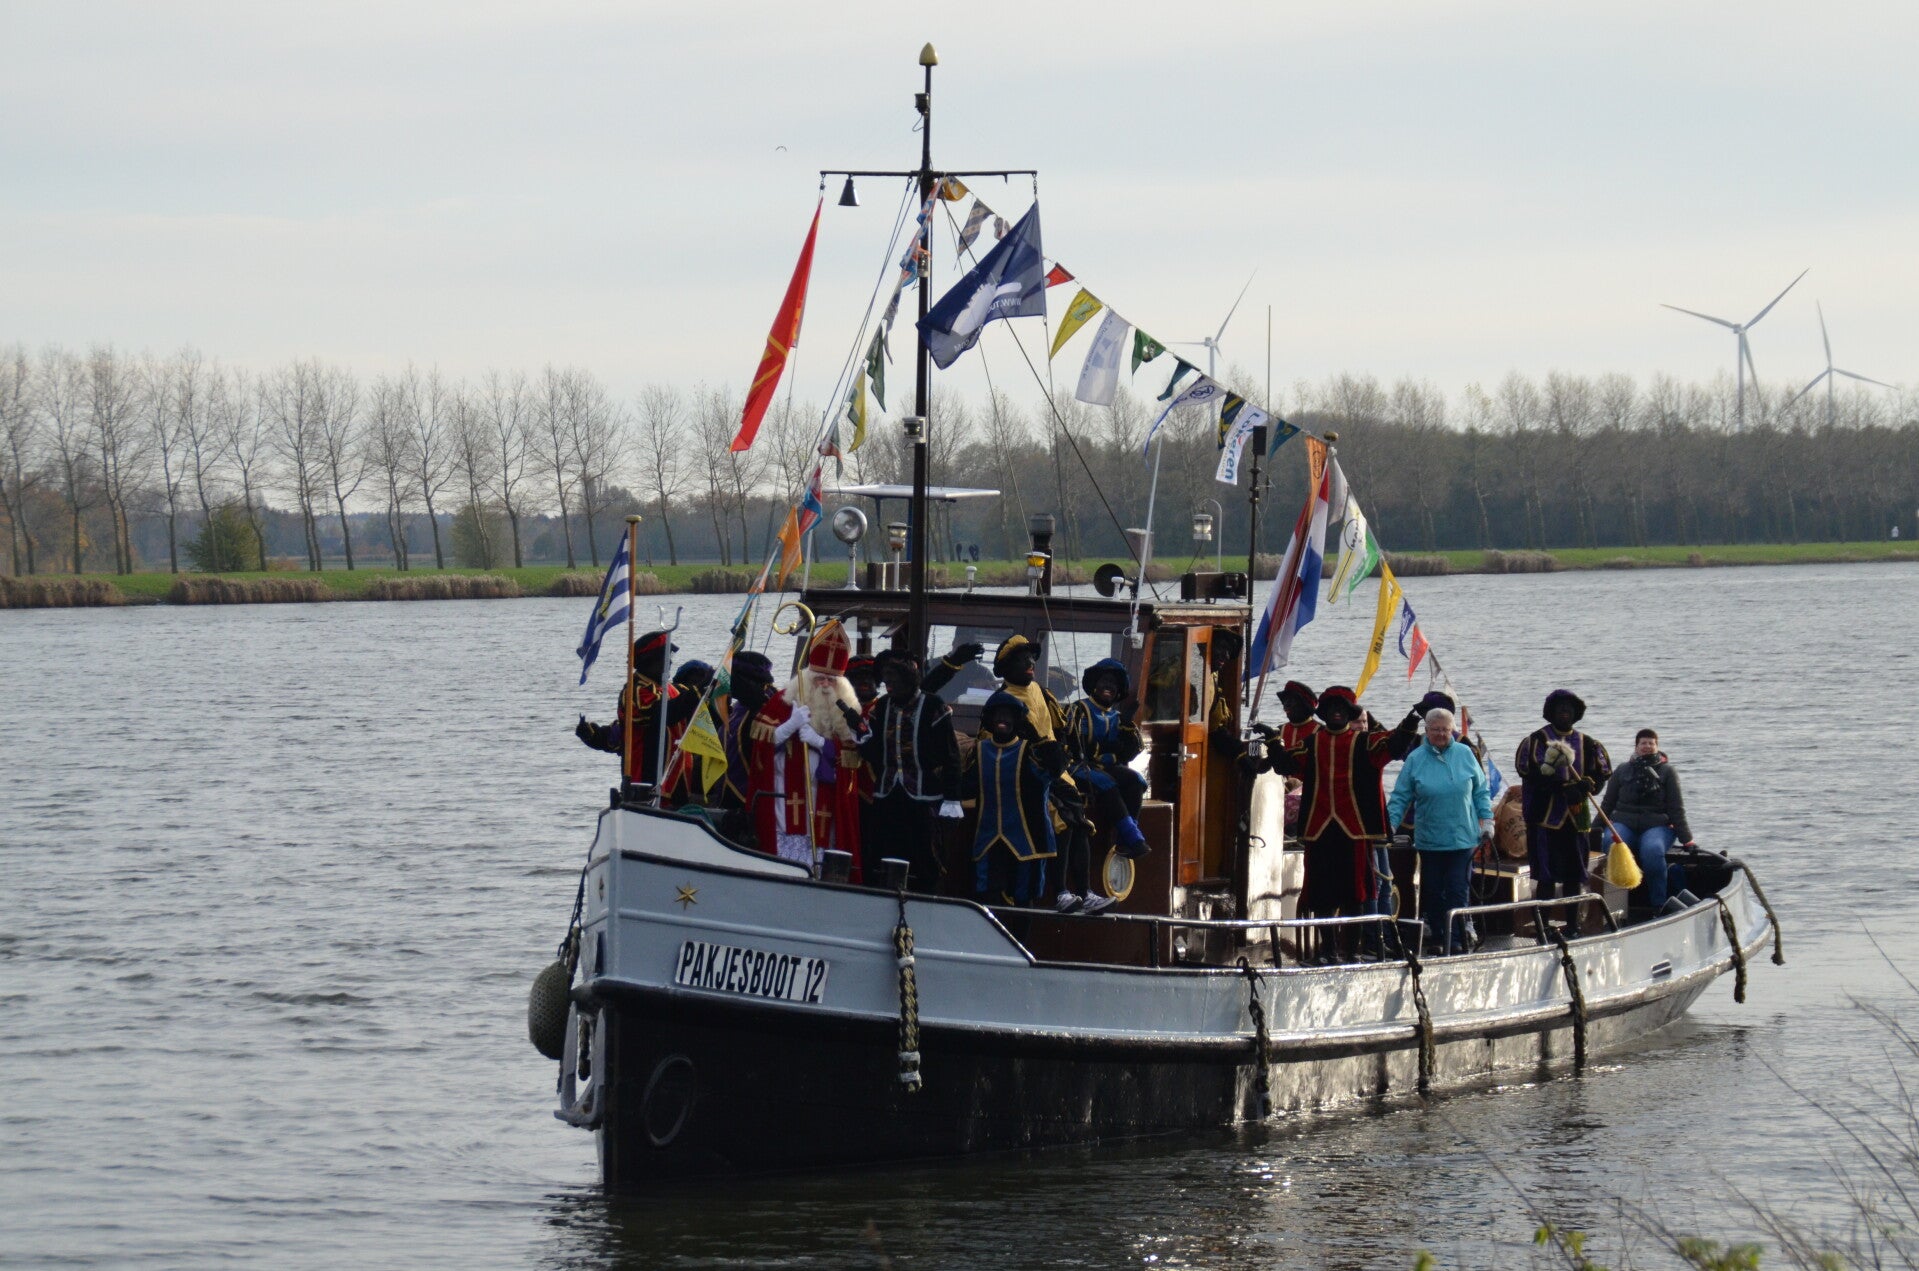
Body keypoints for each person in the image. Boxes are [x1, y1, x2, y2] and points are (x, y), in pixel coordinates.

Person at [1268, 685, 1421, 961]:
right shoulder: (1312, 743)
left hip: (1354, 830)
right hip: (1319, 829)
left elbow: (1395, 746)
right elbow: (1286, 765)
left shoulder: (1364, 742)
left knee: (1356, 894)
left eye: (1342, 709)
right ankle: (1328, 949)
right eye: (1331, 708)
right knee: (1320, 894)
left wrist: (1412, 719)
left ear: (1349, 713)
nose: (1336, 713)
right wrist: (1272, 741)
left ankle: (1351, 951)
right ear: (1324, 713)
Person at [1387, 708, 1493, 955]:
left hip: (1462, 838)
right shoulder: (1415, 758)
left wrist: (1487, 821)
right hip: (1430, 839)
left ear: (1452, 730)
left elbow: (1481, 791)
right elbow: (1401, 796)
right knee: (1432, 891)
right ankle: (1438, 935)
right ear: (1426, 731)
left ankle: (1456, 938)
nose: (1441, 734)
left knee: (1457, 889)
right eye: (1435, 730)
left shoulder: (1465, 754)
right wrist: (1389, 825)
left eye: (1445, 730)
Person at [857, 649, 964, 890]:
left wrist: (952, 797)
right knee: (884, 852)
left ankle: (924, 897)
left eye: (893, 682)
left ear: (907, 680)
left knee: (924, 855)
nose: (889, 687)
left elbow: (951, 756)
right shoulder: (882, 707)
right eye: (886, 682)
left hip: (923, 797)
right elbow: (876, 755)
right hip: (887, 794)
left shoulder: (932, 705)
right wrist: (862, 737)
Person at [1515, 689, 1612, 931]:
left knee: (1574, 876)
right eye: (1560, 707)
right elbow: (1530, 773)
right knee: (1545, 877)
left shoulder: (1588, 743)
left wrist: (1589, 785)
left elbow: (1600, 775)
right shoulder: (1536, 741)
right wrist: (1563, 787)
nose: (1565, 712)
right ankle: (1543, 927)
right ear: (1551, 712)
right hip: (1545, 820)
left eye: (1569, 708)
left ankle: (1572, 926)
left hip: (1576, 820)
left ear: (1576, 713)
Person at [1060, 659, 1148, 912]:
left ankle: (1126, 839)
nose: (1108, 686)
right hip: (1078, 767)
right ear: (1094, 685)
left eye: (1113, 684)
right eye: (1103, 682)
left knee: (1136, 781)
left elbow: (1132, 751)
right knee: (1105, 783)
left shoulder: (1118, 717)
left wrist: (1127, 726)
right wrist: (1104, 747)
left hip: (1106, 767)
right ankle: (1133, 836)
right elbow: (1071, 744)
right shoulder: (1079, 709)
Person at [960, 691, 1063, 906]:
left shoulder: (1030, 752)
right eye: (998, 714)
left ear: (1017, 720)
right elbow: (967, 786)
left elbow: (1049, 775)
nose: (1002, 719)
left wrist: (1048, 750)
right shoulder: (980, 750)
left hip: (1026, 838)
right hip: (989, 838)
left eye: (1008, 715)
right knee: (988, 895)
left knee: (1024, 897)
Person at [574, 629, 698, 798]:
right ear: (649, 661)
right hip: (646, 782)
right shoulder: (636, 691)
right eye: (664, 657)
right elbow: (659, 716)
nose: (669, 662)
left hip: (678, 778)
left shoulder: (673, 689)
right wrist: (595, 736)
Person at [1600, 728, 1695, 913]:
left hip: (1657, 825)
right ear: (1636, 746)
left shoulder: (1668, 772)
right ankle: (1613, 905)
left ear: (1657, 747)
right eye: (1643, 743)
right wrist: (1592, 830)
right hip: (1624, 822)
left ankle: (1658, 904)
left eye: (1651, 743)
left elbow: (1676, 808)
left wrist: (1687, 840)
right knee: (1610, 845)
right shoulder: (1622, 770)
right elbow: (1607, 804)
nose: (1647, 746)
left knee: (1652, 851)